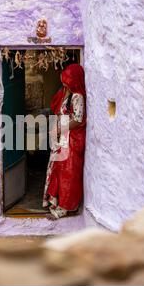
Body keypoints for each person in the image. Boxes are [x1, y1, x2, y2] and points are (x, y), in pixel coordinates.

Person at [43, 64, 86, 220]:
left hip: (71, 141)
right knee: (57, 171)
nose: (64, 83)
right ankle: (55, 202)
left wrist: (60, 130)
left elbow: (78, 120)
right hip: (62, 140)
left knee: (68, 174)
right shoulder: (67, 95)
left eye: (67, 81)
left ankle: (64, 208)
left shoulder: (77, 97)